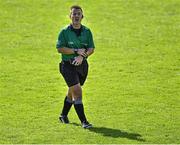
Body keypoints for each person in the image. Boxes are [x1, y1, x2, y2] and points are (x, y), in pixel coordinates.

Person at [56, 5, 95, 129]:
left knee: (71, 92)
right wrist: (76, 51)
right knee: (77, 91)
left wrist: (82, 57)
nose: (76, 16)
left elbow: (91, 48)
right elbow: (60, 49)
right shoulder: (64, 32)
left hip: (82, 66)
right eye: (74, 14)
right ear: (70, 16)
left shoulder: (87, 32)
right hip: (67, 66)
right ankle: (84, 122)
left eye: (78, 14)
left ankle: (63, 115)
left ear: (82, 17)